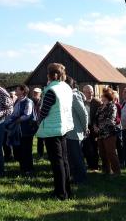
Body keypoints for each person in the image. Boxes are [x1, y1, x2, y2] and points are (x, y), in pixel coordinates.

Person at [37, 63, 74, 200]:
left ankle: (60, 193)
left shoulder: (51, 90)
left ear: (52, 75)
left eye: (48, 73)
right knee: (64, 161)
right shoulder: (66, 87)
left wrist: (38, 121)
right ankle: (67, 191)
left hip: (52, 129)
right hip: (63, 127)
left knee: (57, 163)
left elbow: (44, 111)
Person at [65, 77, 88, 184]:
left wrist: (85, 128)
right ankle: (74, 177)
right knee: (71, 157)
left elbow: (83, 113)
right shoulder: (68, 96)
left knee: (77, 156)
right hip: (68, 132)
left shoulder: (74, 95)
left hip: (75, 132)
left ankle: (81, 178)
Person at [9, 84, 36, 174]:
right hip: (18, 129)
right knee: (19, 149)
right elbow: (14, 113)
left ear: (23, 91)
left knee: (27, 150)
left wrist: (17, 120)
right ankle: (23, 168)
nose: (16, 91)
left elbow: (27, 115)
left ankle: (29, 169)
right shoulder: (17, 101)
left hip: (27, 129)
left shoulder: (28, 101)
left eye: (17, 89)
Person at [94, 87, 121, 175]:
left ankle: (116, 171)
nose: (101, 97)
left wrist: (100, 127)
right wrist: (95, 126)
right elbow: (96, 119)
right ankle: (106, 170)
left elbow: (110, 119)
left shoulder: (112, 106)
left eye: (103, 96)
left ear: (107, 96)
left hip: (109, 133)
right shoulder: (100, 107)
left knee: (111, 152)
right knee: (102, 153)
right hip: (100, 134)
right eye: (102, 96)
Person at [82, 85, 102, 172]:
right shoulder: (81, 101)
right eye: (87, 92)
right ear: (84, 92)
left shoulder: (97, 102)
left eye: (91, 92)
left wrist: (96, 125)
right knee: (86, 147)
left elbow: (100, 116)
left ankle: (95, 166)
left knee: (94, 146)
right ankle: (89, 164)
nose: (90, 93)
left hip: (93, 127)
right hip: (84, 127)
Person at [3, 91, 18, 162]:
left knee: (15, 143)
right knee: (5, 142)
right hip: (5, 126)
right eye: (9, 96)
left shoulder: (18, 105)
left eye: (12, 96)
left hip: (15, 127)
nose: (10, 98)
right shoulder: (6, 105)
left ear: (16, 97)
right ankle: (8, 156)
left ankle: (16, 157)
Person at [32, 87, 45, 159]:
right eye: (34, 92)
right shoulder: (30, 101)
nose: (35, 94)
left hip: (41, 123)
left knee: (41, 139)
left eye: (37, 93)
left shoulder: (43, 101)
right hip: (32, 123)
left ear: (40, 94)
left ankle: (41, 155)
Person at [113, 90, 124, 167]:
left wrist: (115, 121)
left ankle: (121, 161)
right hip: (110, 128)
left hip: (117, 127)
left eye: (115, 98)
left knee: (119, 144)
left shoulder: (118, 106)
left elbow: (120, 117)